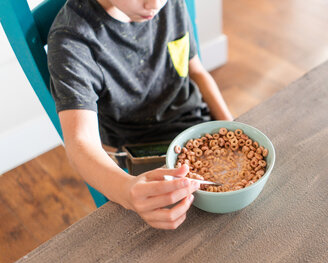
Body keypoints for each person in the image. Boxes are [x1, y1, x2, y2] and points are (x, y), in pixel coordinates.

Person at [47, 0, 234, 229]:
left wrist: (233, 126)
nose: (154, 4)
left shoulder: (170, 3)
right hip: (142, 152)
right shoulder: (73, 40)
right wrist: (126, 190)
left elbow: (196, 71)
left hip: (199, 126)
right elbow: (80, 144)